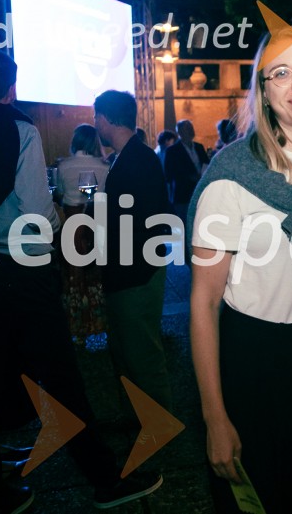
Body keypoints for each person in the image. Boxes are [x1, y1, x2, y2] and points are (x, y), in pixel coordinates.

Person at [0, 50, 161, 513]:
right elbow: (36, 213)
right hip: (21, 277)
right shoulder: (20, 132)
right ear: (11, 89)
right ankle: (106, 481)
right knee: (62, 381)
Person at [188, 26, 292, 514]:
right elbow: (203, 303)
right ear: (262, 90)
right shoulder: (231, 177)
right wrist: (214, 416)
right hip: (255, 364)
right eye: (281, 74)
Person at [94, 90, 173, 415]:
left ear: (108, 119)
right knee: (130, 354)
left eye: (96, 116)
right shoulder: (132, 157)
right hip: (131, 270)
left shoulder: (136, 159)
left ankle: (158, 430)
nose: (94, 123)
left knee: (142, 356)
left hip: (135, 273)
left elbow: (144, 219)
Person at [55, 124, 110, 345]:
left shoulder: (63, 166)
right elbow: (98, 198)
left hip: (71, 226)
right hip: (96, 225)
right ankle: (99, 325)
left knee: (72, 276)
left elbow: (58, 194)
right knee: (96, 276)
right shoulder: (104, 166)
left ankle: (76, 327)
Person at [165, 119, 210, 224]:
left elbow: (206, 164)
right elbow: (169, 174)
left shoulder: (199, 147)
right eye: (187, 129)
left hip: (199, 192)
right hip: (182, 195)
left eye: (191, 128)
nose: (191, 131)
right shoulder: (172, 151)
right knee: (183, 225)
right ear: (180, 132)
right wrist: (189, 177)